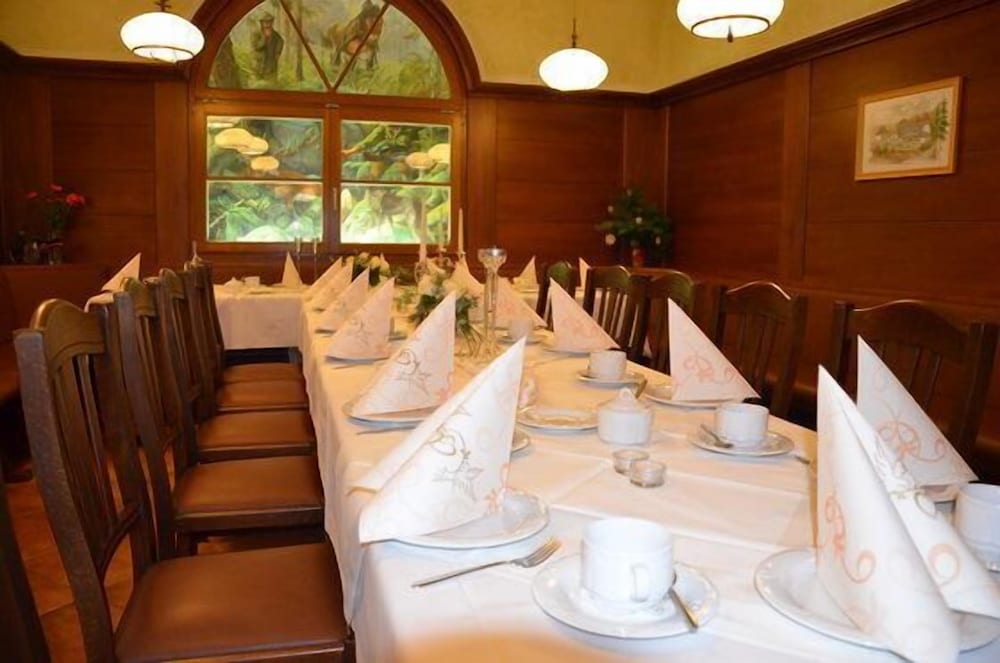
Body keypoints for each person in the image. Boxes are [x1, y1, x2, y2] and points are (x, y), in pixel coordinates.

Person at [252, 11, 284, 81]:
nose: (267, 24)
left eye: (269, 22)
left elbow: (281, 41)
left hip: (271, 64)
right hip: (260, 64)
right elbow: (256, 47)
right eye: (265, 22)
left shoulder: (275, 35)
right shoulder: (256, 34)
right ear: (262, 23)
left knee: (271, 81)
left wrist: (278, 53)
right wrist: (265, 38)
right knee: (259, 82)